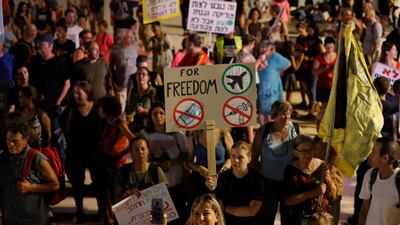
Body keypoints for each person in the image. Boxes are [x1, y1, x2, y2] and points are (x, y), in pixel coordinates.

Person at [0, 116, 59, 225]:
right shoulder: (3, 159)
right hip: (11, 219)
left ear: (25, 140)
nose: (11, 145)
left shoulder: (37, 159)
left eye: (15, 141)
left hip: (33, 220)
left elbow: (55, 185)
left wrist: (32, 187)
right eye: (8, 140)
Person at [250, 100, 299, 225]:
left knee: (289, 219)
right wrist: (255, 182)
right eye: (282, 114)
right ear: (274, 116)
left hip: (289, 183)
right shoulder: (263, 131)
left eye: (288, 113)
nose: (286, 117)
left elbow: (302, 154)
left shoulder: (296, 130)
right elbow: (254, 158)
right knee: (266, 218)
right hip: (267, 183)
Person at [141, 103, 189, 224]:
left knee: (179, 217)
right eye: (155, 113)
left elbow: (186, 155)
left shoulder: (177, 134)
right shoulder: (145, 135)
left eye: (161, 113)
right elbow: (140, 156)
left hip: (176, 183)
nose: (158, 116)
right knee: (158, 219)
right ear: (150, 117)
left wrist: (172, 163)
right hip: (155, 186)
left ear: (166, 115)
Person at [62, 81, 103, 223]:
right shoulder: (70, 110)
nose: (76, 95)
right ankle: (79, 212)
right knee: (77, 185)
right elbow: (63, 126)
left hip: (94, 153)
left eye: (79, 92)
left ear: (87, 92)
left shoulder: (98, 108)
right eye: (74, 92)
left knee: (98, 184)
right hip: (76, 153)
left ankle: (101, 212)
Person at [96, 95, 134, 224]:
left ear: (107, 109)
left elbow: (134, 140)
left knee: (115, 194)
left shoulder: (120, 124)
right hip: (105, 162)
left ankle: (120, 220)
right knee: (105, 193)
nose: (98, 110)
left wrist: (121, 153)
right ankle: (109, 218)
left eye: (101, 108)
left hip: (117, 164)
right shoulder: (105, 122)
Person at [208, 141, 263, 225]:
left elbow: (252, 211)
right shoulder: (223, 177)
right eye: (233, 156)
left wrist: (225, 208)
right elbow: (216, 205)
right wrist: (212, 188)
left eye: (240, 157)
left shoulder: (256, 178)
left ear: (249, 158)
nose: (236, 160)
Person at [283, 135, 332, 225]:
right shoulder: (290, 170)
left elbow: (333, 193)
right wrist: (313, 193)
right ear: (295, 153)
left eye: (310, 150)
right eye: (303, 151)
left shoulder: (322, 166)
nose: (307, 154)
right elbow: (287, 200)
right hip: (297, 218)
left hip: (320, 219)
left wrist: (328, 178)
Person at [358, 137, 400, 225]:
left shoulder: (398, 180)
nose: (370, 155)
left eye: (374, 152)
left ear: (385, 158)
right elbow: (364, 209)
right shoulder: (370, 175)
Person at [114, 135, 168, 202]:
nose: (140, 152)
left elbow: (165, 198)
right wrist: (128, 194)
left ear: (148, 151)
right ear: (131, 153)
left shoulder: (156, 170)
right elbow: (117, 201)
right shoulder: (123, 171)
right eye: (136, 150)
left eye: (143, 149)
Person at [257, 40, 291, 124]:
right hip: (262, 87)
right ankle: (265, 130)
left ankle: (269, 129)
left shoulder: (275, 56)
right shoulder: (259, 56)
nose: (262, 48)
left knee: (270, 110)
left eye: (264, 47)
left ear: (270, 48)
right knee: (262, 110)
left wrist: (278, 71)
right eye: (261, 46)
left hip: (272, 87)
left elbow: (288, 63)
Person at [126, 66, 156, 132]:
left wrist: (144, 111)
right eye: (138, 74)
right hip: (133, 127)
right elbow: (128, 109)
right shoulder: (132, 92)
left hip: (148, 127)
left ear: (148, 78)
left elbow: (157, 110)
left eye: (143, 74)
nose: (140, 76)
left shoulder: (152, 92)